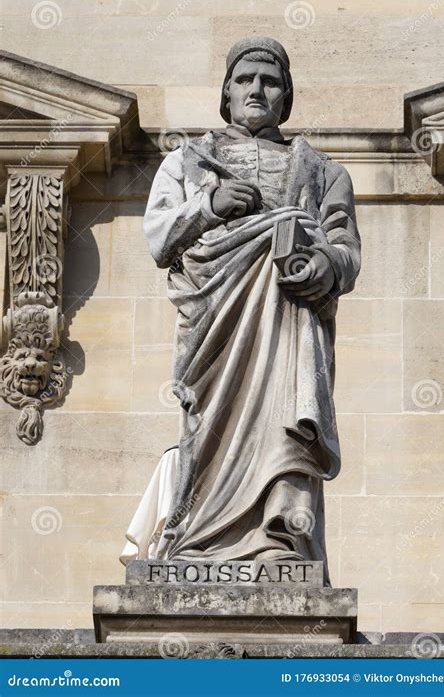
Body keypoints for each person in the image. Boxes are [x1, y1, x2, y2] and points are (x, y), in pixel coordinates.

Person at [122, 37, 361, 584]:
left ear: (286, 97)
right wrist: (208, 206)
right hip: (216, 324)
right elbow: (159, 236)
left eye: (270, 81)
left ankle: (280, 540)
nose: (257, 89)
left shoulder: (323, 172)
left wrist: (325, 264)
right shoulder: (187, 160)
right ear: (226, 93)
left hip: (290, 322)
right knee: (209, 424)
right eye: (245, 79)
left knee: (286, 422)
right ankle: (197, 537)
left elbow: (346, 249)